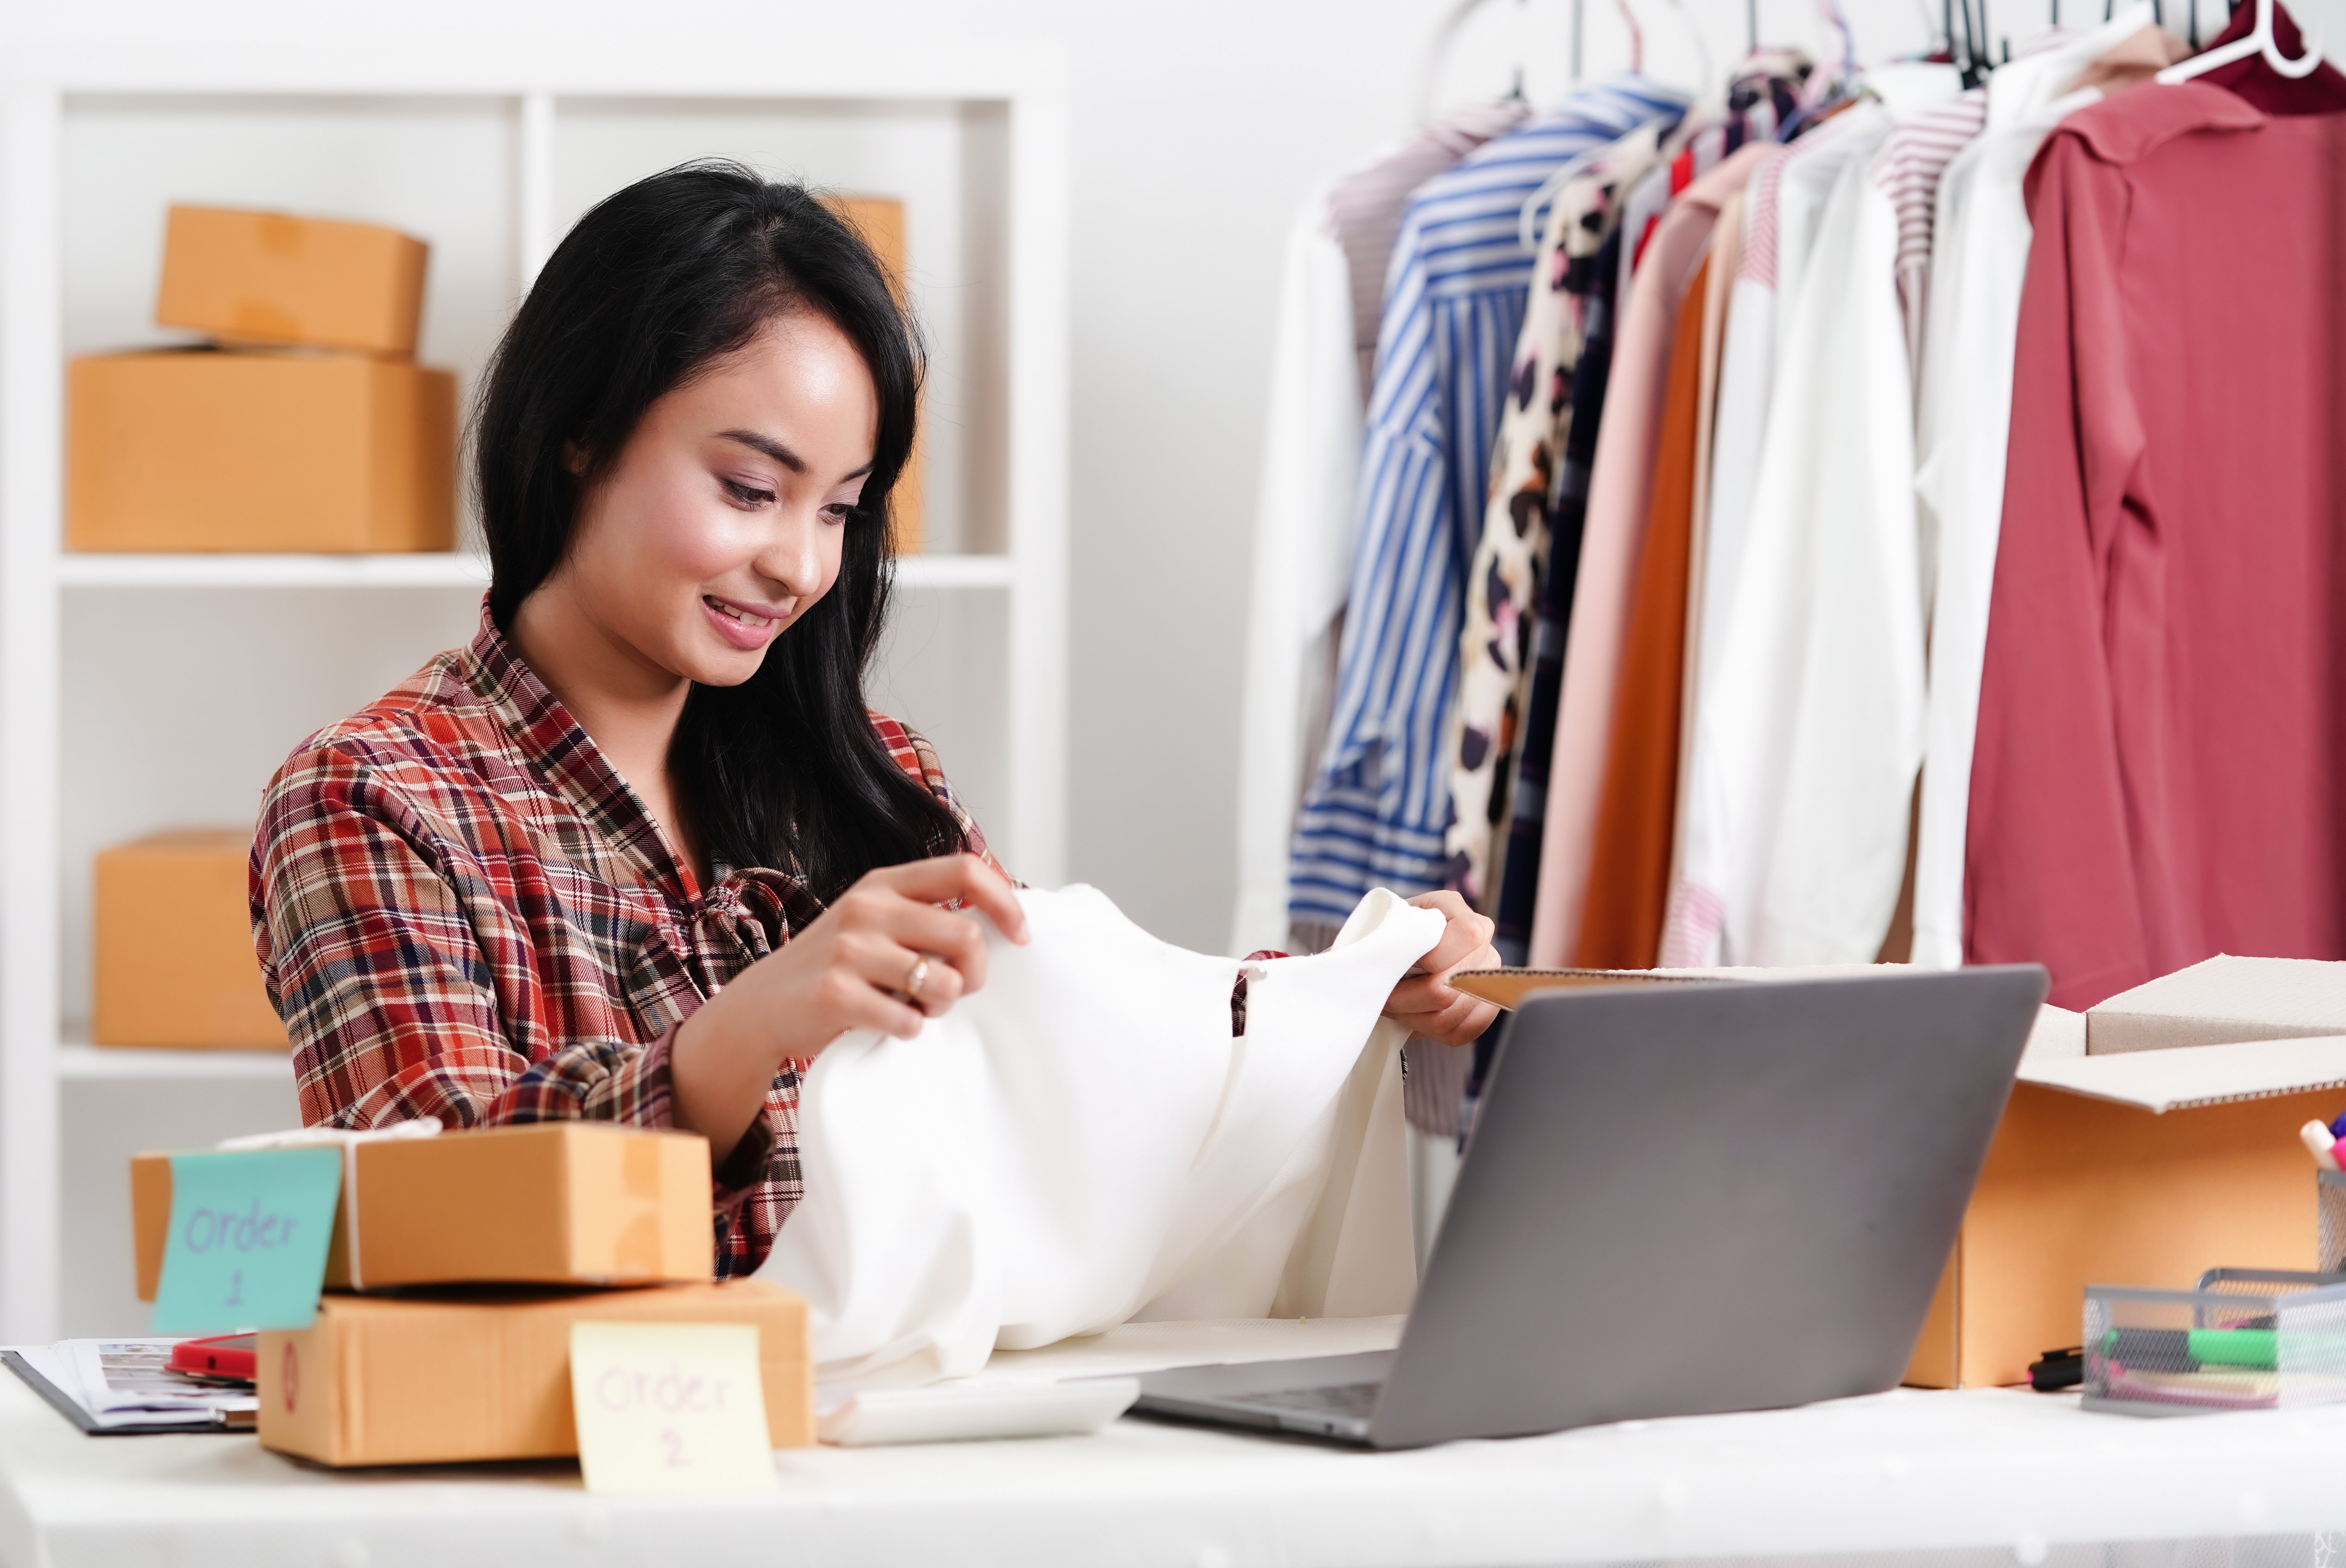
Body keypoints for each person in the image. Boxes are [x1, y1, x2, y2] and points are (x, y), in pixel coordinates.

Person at [250, 161, 1501, 1279]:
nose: (799, 567)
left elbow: (1068, 1073)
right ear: (578, 430)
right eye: (750, 489)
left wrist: (1350, 987)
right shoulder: (374, 799)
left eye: (840, 509)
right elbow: (418, 1212)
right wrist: (733, 1039)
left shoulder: (873, 780)